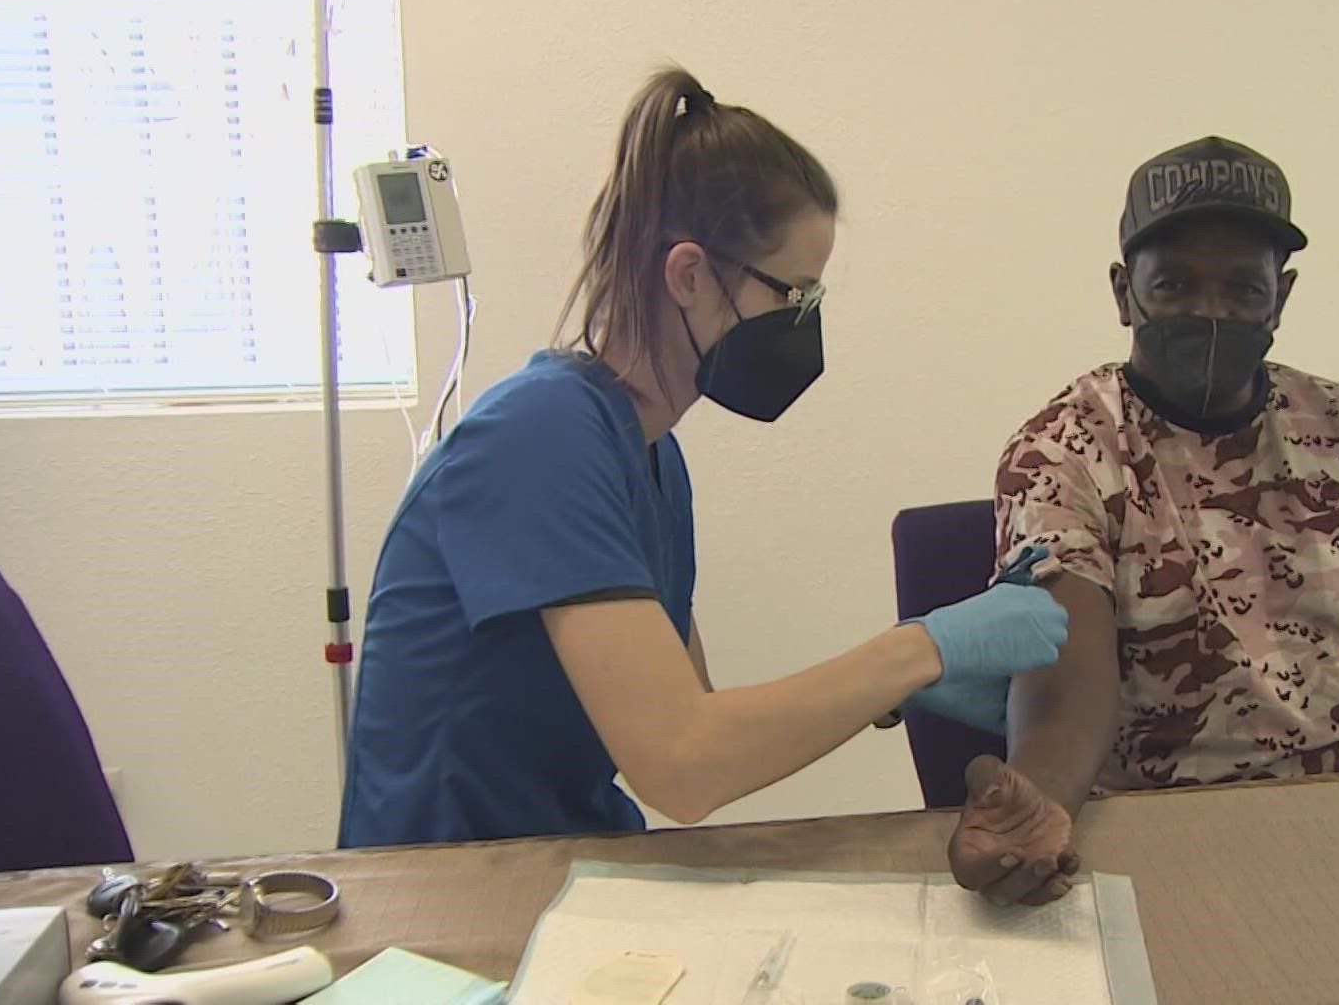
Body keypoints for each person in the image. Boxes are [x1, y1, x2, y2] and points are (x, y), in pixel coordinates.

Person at [338, 68, 1067, 848]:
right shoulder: (538, 437)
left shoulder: (651, 456)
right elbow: (683, 766)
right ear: (689, 275)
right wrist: (920, 649)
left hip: (565, 853)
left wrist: (904, 685)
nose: (802, 325)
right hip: (448, 895)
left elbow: (702, 717)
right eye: (795, 295)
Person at [947, 137, 1339, 905]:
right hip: (1154, 837)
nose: (1210, 312)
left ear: (1281, 298)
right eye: (1176, 285)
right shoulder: (1063, 449)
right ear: (1125, 294)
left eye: (1242, 290)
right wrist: (1041, 804)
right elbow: (1067, 676)